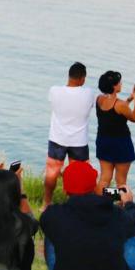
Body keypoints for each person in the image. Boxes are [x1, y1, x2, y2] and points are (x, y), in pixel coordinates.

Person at [40, 162, 135, 270]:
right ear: (95, 186)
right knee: (134, 236)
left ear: (65, 189)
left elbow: (50, 219)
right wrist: (128, 203)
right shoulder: (115, 214)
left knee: (51, 238)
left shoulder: (54, 216)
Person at [43, 62, 98, 210]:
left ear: (69, 75)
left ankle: (46, 203)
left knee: (52, 172)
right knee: (79, 176)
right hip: (79, 141)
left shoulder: (54, 91)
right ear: (82, 79)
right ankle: (76, 206)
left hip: (57, 138)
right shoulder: (89, 93)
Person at [96, 71, 135, 192]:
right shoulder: (120, 104)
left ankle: (102, 204)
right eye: (119, 82)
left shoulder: (99, 100)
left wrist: (129, 100)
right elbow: (134, 118)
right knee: (121, 181)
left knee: (104, 179)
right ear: (114, 86)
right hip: (120, 144)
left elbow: (116, 112)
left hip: (103, 142)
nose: (121, 84)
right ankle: (120, 208)